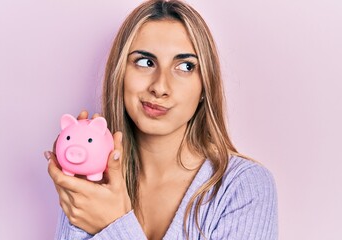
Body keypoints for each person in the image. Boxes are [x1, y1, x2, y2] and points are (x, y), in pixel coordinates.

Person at [44, 0, 278, 239]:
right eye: (145, 62)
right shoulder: (95, 181)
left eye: (185, 66)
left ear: (205, 86)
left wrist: (112, 224)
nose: (160, 87)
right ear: (120, 74)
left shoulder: (244, 187)